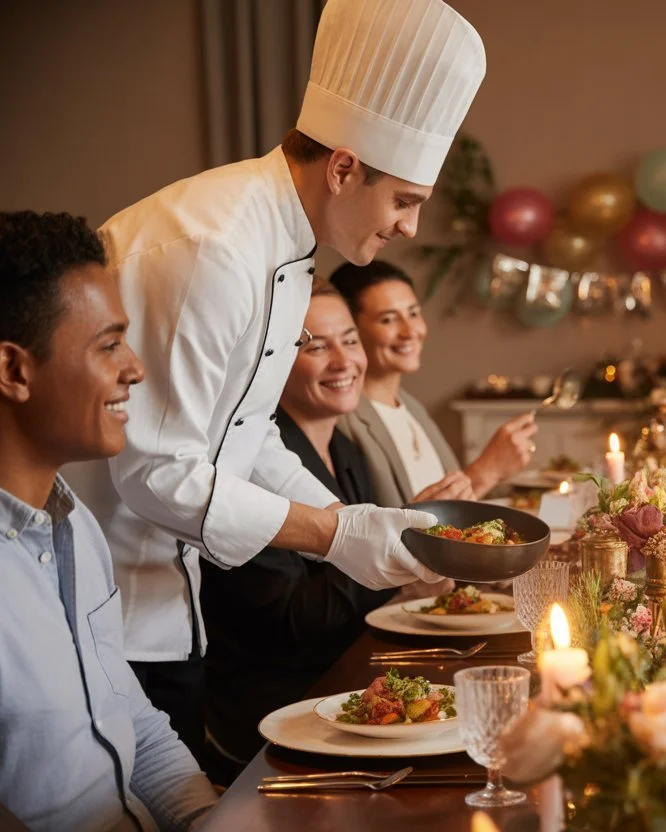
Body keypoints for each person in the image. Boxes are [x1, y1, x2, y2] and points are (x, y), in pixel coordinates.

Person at [62, 0, 485, 758]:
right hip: (110, 608)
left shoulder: (286, 242)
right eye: (404, 201)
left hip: (174, 605)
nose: (410, 228)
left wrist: (352, 524)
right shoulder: (211, 244)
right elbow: (157, 472)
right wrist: (332, 533)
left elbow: (244, 432)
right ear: (345, 165)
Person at [0, 211, 216, 831]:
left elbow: (133, 721)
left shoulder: (76, 528)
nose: (135, 369)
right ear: (15, 371)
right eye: (108, 343)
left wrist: (208, 820)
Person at [201, 279, 431, 772]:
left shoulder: (346, 450)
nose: (344, 361)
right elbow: (290, 622)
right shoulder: (246, 467)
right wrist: (395, 557)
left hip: (346, 686)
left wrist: (397, 553)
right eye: (315, 346)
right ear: (272, 360)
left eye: (349, 340)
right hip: (276, 714)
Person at [329, 259, 538, 505]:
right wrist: (485, 472)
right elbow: (379, 532)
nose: (410, 331)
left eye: (414, 313)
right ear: (349, 330)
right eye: (388, 320)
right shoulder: (341, 424)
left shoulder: (412, 409)